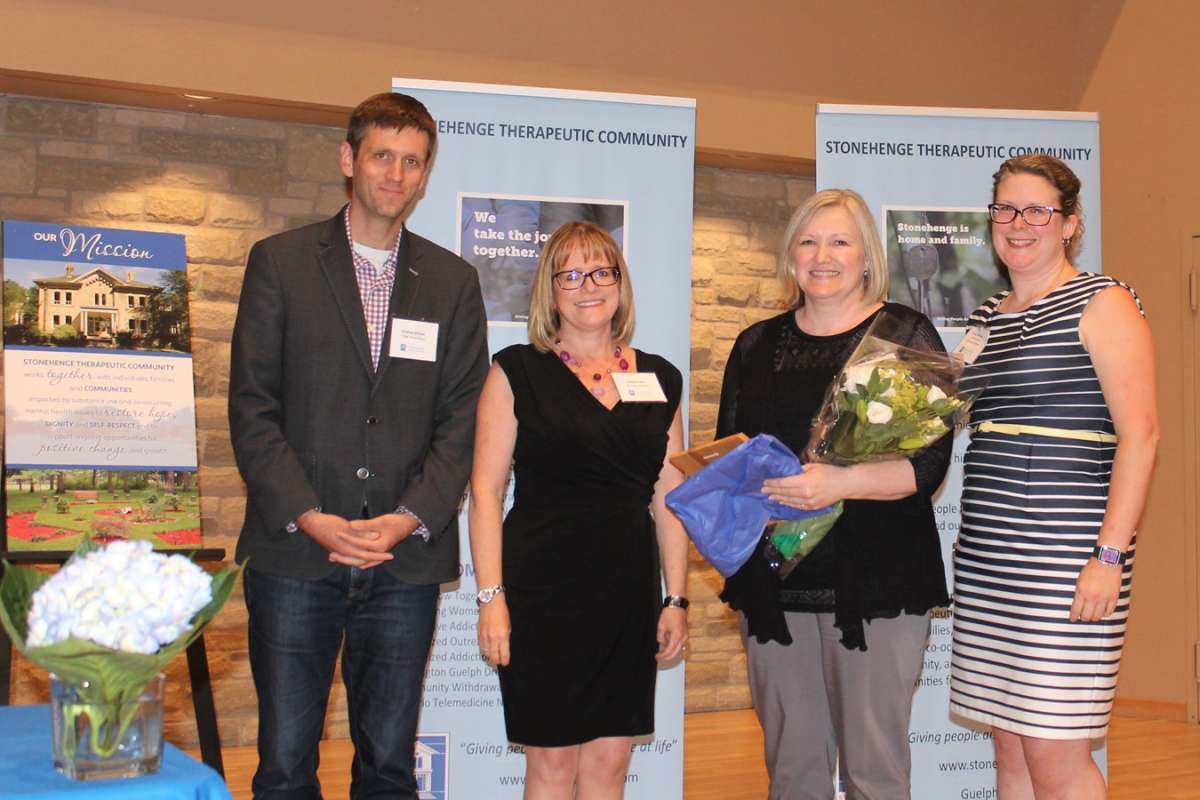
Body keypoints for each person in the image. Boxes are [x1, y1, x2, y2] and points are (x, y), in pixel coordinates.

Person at [228, 92, 488, 799]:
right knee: (284, 766)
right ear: (349, 160)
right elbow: (253, 409)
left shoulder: (453, 283)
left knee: (389, 768)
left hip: (402, 562)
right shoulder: (280, 263)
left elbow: (462, 422)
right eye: (382, 156)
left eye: (413, 162)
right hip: (295, 556)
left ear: (426, 174)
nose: (397, 175)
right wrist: (310, 514)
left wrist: (406, 518)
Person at [717, 188, 952, 800]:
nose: (823, 255)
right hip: (775, 578)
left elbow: (927, 468)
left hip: (877, 585)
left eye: (840, 241)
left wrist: (838, 483)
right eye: (809, 240)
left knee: (876, 775)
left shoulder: (904, 332)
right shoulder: (756, 345)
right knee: (793, 774)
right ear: (792, 256)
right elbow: (731, 455)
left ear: (867, 256)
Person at [949, 155, 1159, 800]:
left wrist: (1108, 556)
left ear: (1069, 224)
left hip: (1064, 559)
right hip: (989, 558)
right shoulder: (990, 312)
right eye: (1005, 209)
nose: (1018, 224)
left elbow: (1142, 436)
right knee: (1010, 747)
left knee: (1054, 751)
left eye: (1037, 210)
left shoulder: (1104, 300)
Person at [468, 221, 689, 799]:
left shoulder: (660, 377)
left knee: (609, 768)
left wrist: (676, 598)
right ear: (551, 287)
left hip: (626, 594)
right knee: (550, 768)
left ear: (620, 282)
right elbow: (486, 494)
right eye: (570, 273)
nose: (587, 285)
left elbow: (671, 498)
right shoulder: (516, 370)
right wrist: (492, 599)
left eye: (601, 271)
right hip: (542, 594)